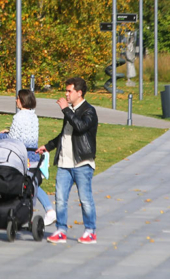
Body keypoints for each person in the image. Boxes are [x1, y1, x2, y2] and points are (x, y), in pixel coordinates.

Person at [37, 77, 98, 244]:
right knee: (61, 199)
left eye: (69, 91)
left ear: (79, 93)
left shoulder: (89, 111)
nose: (66, 94)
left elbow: (80, 127)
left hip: (81, 163)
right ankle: (61, 231)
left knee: (85, 199)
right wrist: (48, 146)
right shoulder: (70, 111)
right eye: (66, 90)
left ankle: (90, 231)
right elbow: (65, 135)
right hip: (65, 163)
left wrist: (66, 110)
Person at [0, 90, 56, 226]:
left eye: (17, 98)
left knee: (23, 185)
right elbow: (23, 134)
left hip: (22, 157)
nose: (16, 101)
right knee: (31, 184)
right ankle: (42, 210)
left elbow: (12, 138)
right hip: (33, 154)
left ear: (22, 100)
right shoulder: (33, 116)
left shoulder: (18, 116)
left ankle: (48, 210)